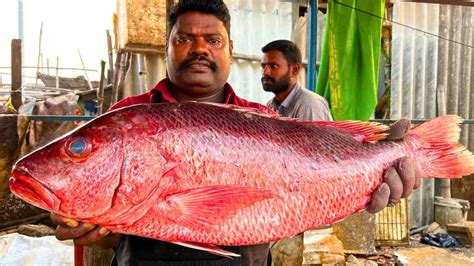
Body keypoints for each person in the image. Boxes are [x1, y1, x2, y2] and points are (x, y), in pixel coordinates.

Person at [51, 1, 421, 265]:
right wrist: (94, 229)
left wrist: (372, 176)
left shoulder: (264, 118)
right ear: (166, 48)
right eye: (183, 39)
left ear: (231, 51)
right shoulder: (126, 117)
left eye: (212, 40)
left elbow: (307, 204)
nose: (198, 49)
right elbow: (115, 229)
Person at [261, 39, 332, 121]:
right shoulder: (271, 105)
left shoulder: (309, 105)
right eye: (263, 66)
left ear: (294, 70)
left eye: (274, 66)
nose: (265, 72)